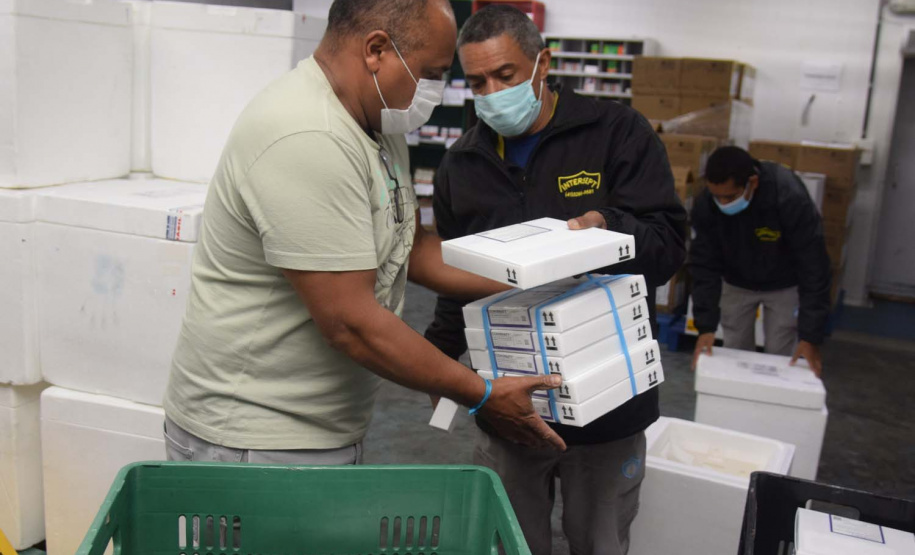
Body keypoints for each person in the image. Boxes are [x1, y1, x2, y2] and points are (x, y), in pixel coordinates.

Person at [162, 0, 568, 466]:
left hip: (320, 423)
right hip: (255, 435)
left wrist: (538, 276)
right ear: (376, 50)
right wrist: (480, 392)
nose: (435, 89)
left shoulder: (379, 119)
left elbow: (411, 248)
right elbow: (350, 323)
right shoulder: (306, 135)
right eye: (431, 73)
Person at [424, 6, 687, 555]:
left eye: (506, 75)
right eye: (477, 82)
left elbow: (667, 246)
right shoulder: (461, 165)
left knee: (601, 541)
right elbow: (459, 284)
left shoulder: (615, 133)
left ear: (542, 64)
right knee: (508, 542)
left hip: (609, 405)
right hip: (508, 407)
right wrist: (439, 363)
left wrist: (608, 230)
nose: (492, 92)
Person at [689, 146, 831, 375]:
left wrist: (810, 335)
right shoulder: (706, 204)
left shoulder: (788, 196)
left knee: (781, 354)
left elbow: (814, 264)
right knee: (734, 351)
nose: (723, 203)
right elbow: (704, 264)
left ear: (752, 182)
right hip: (735, 282)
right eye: (717, 196)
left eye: (730, 196)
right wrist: (705, 327)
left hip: (784, 283)